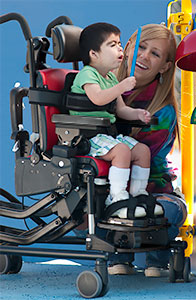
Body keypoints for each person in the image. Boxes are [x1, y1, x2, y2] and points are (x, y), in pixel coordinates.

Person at [107, 24, 187, 277]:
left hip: (151, 188)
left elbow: (144, 159)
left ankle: (157, 259)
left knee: (169, 210)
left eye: (155, 54)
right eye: (141, 47)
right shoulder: (101, 89)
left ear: (164, 66)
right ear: (128, 47)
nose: (144, 56)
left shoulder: (163, 110)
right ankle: (116, 255)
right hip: (108, 188)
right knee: (85, 199)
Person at [70, 22, 163, 219]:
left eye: (120, 43)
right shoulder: (87, 74)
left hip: (107, 135)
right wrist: (122, 86)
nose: (120, 48)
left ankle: (138, 194)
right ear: (94, 54)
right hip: (87, 136)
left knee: (141, 151)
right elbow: (98, 98)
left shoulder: (111, 78)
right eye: (113, 45)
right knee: (121, 151)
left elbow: (120, 109)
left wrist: (138, 114)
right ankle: (117, 197)